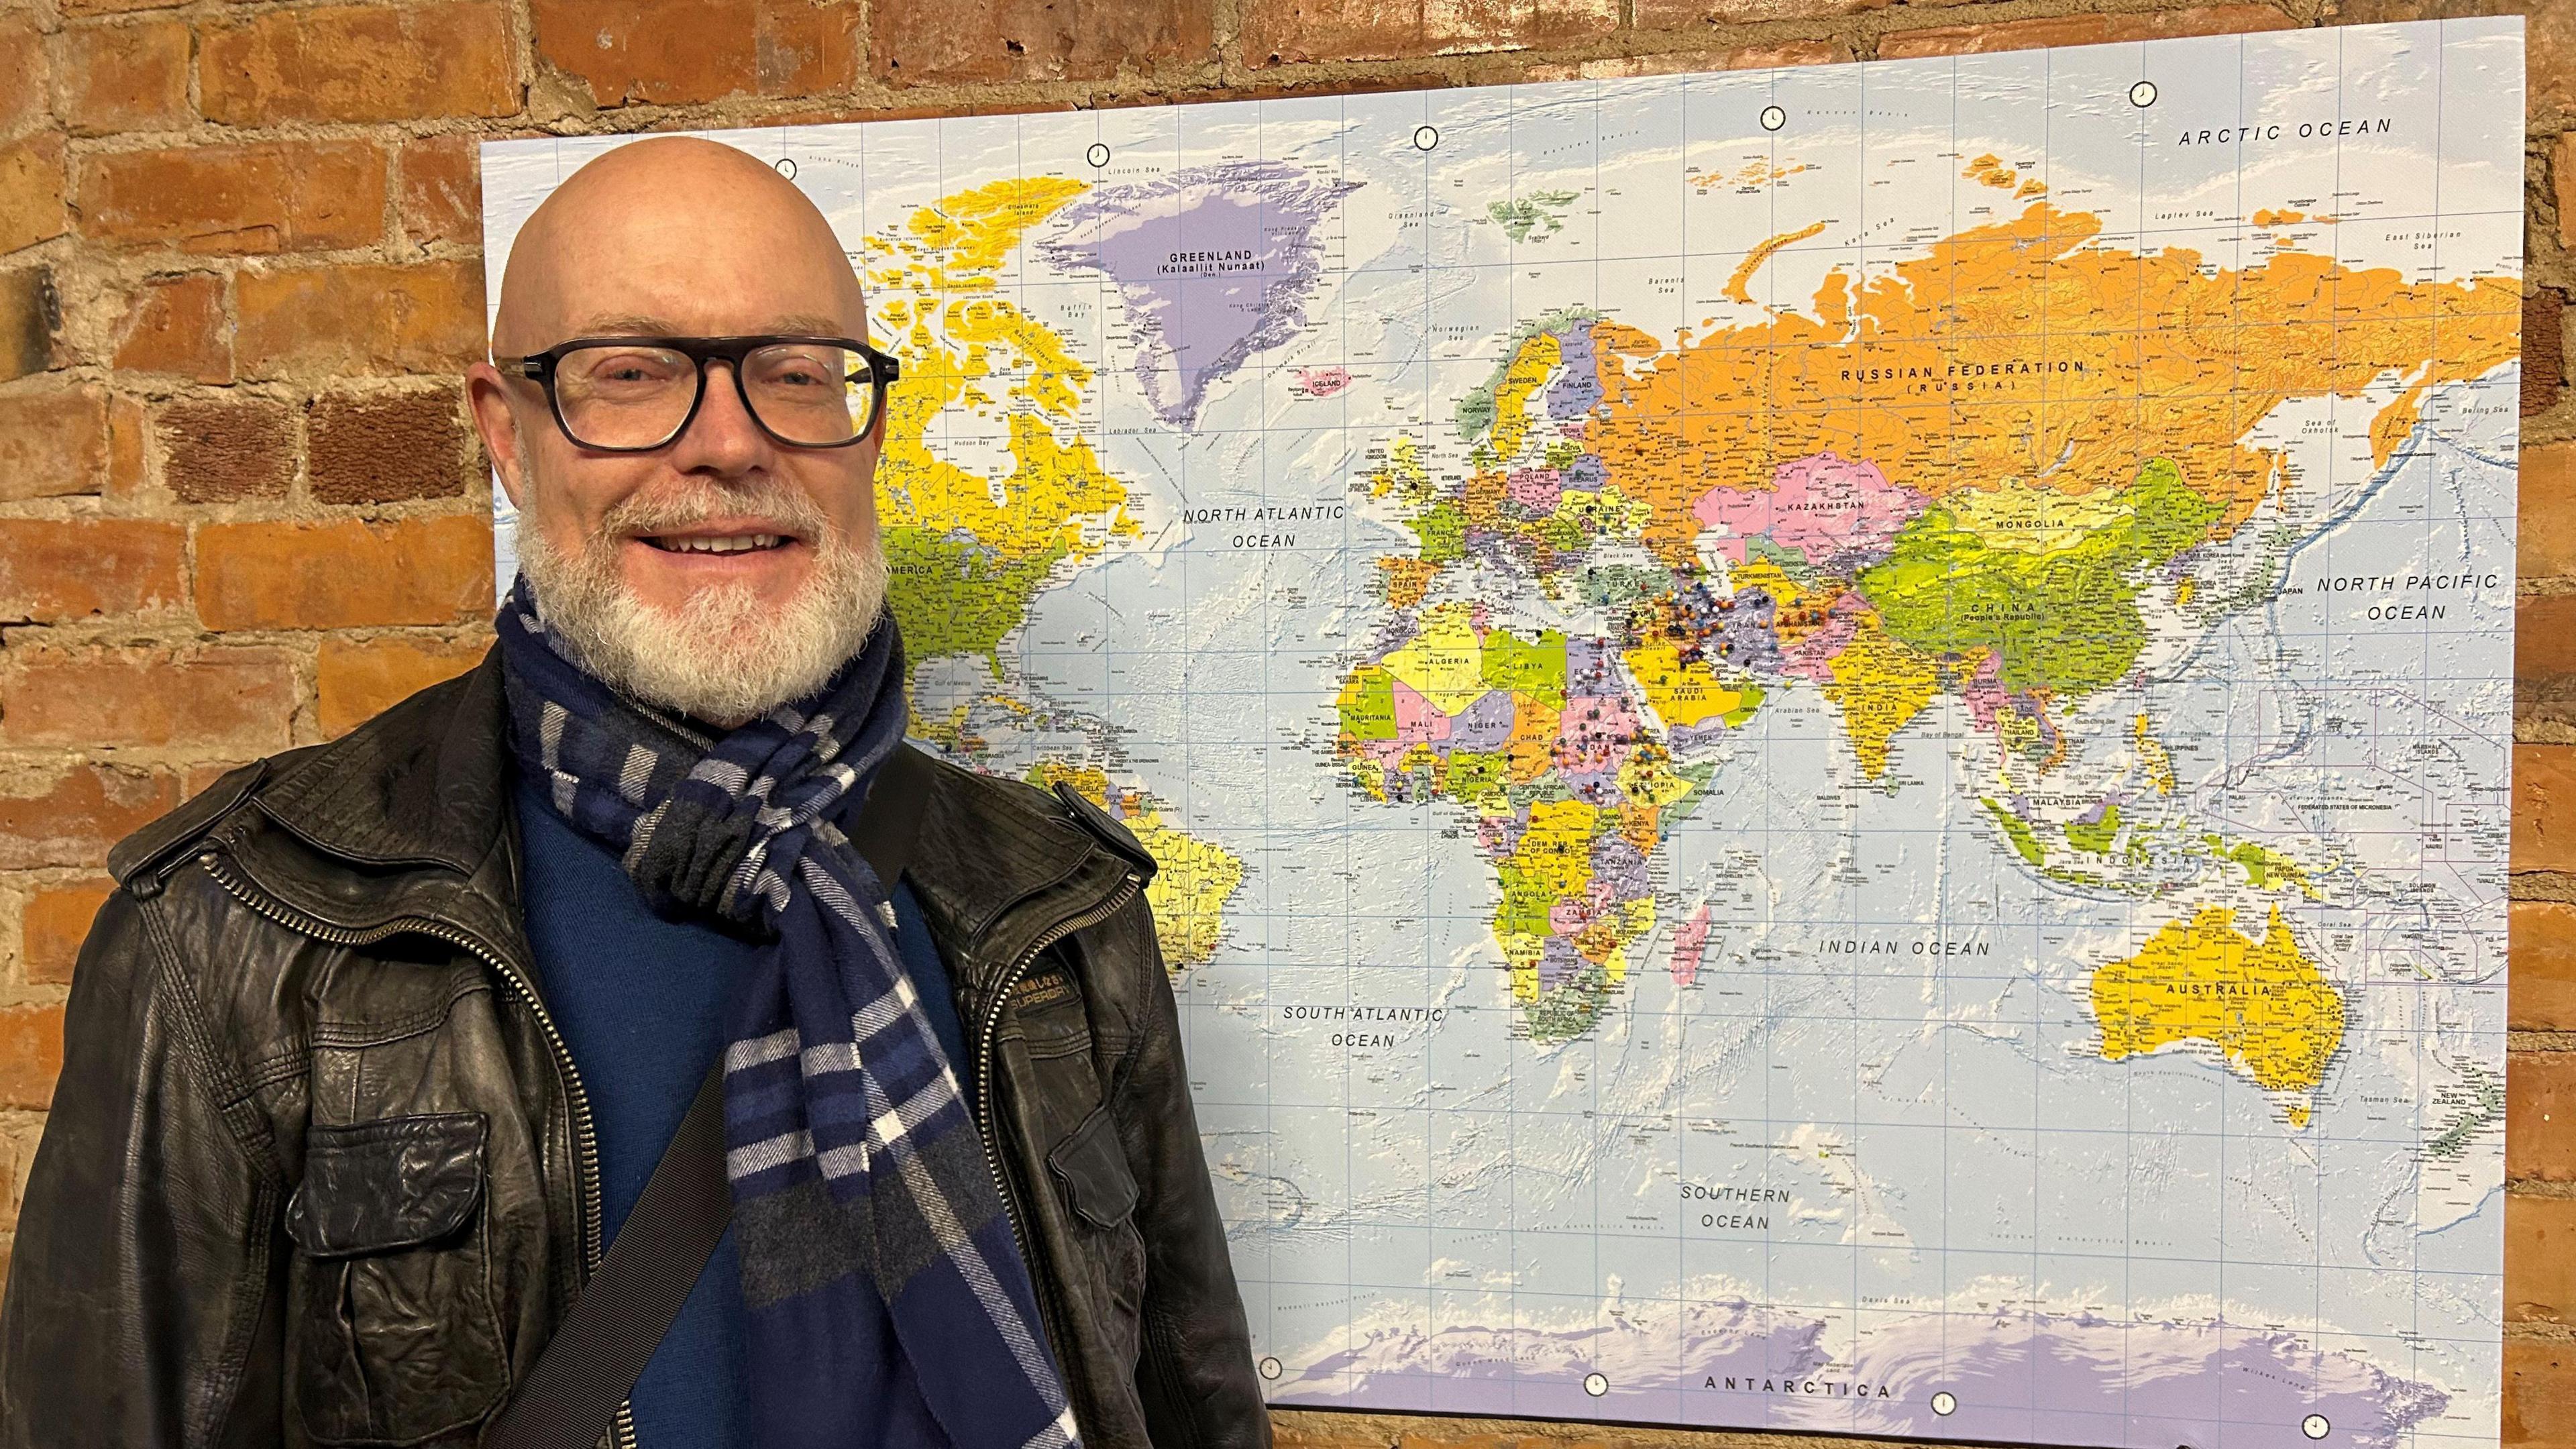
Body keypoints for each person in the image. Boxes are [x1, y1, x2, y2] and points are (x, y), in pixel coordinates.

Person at [0, 136, 1270, 1449]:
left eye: (792, 373)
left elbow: (1193, 1408)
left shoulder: (1055, 909)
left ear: (867, 426)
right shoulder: (238, 935)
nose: (728, 444)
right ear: (508, 429)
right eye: (630, 375)